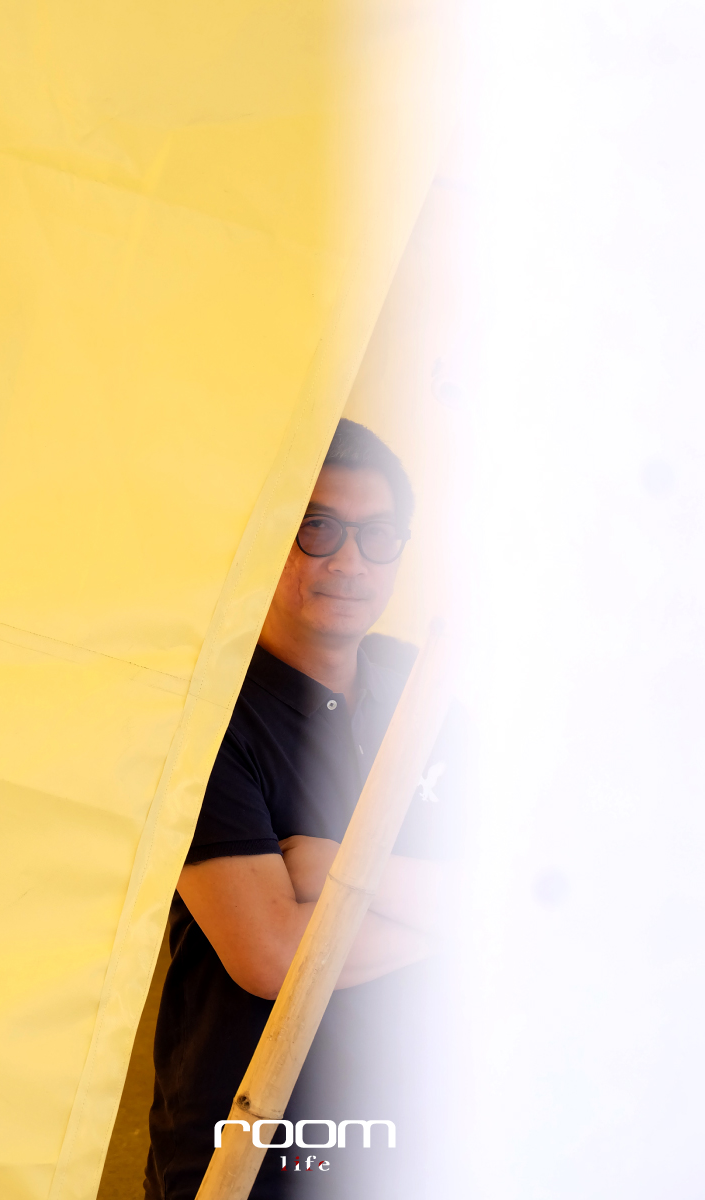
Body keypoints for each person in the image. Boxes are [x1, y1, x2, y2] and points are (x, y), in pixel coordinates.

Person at [145, 419, 456, 1199]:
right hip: (250, 1152)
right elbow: (274, 958)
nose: (350, 562)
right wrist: (468, 918)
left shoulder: (423, 690)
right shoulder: (204, 715)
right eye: (317, 529)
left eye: (378, 535)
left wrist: (338, 868)